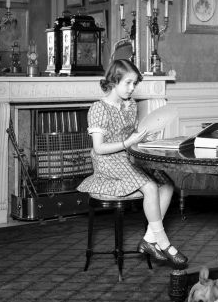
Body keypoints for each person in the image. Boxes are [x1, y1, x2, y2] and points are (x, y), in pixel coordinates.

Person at [77, 59, 188, 267]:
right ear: (113, 81)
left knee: (168, 185)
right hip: (107, 161)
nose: (132, 88)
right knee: (150, 186)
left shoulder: (130, 105)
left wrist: (143, 138)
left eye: (135, 83)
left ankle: (148, 240)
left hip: (127, 156)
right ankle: (164, 243)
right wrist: (129, 142)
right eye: (128, 83)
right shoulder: (98, 109)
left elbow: (132, 134)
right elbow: (99, 148)